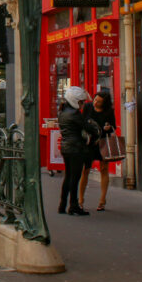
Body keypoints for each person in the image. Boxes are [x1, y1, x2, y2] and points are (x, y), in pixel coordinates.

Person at [58, 86, 100, 216]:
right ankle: (74, 205)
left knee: (68, 176)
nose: (82, 104)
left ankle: (62, 204)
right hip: (76, 148)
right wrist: (94, 128)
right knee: (75, 178)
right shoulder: (75, 114)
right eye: (81, 102)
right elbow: (88, 127)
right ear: (75, 100)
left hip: (65, 147)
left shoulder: (63, 112)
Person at [78, 90, 117, 212]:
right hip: (89, 143)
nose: (95, 102)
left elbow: (113, 127)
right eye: (95, 99)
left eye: (99, 102)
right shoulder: (88, 107)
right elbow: (82, 124)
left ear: (104, 103)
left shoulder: (109, 111)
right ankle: (80, 200)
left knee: (104, 169)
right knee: (85, 170)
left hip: (102, 142)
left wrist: (108, 127)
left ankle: (102, 200)